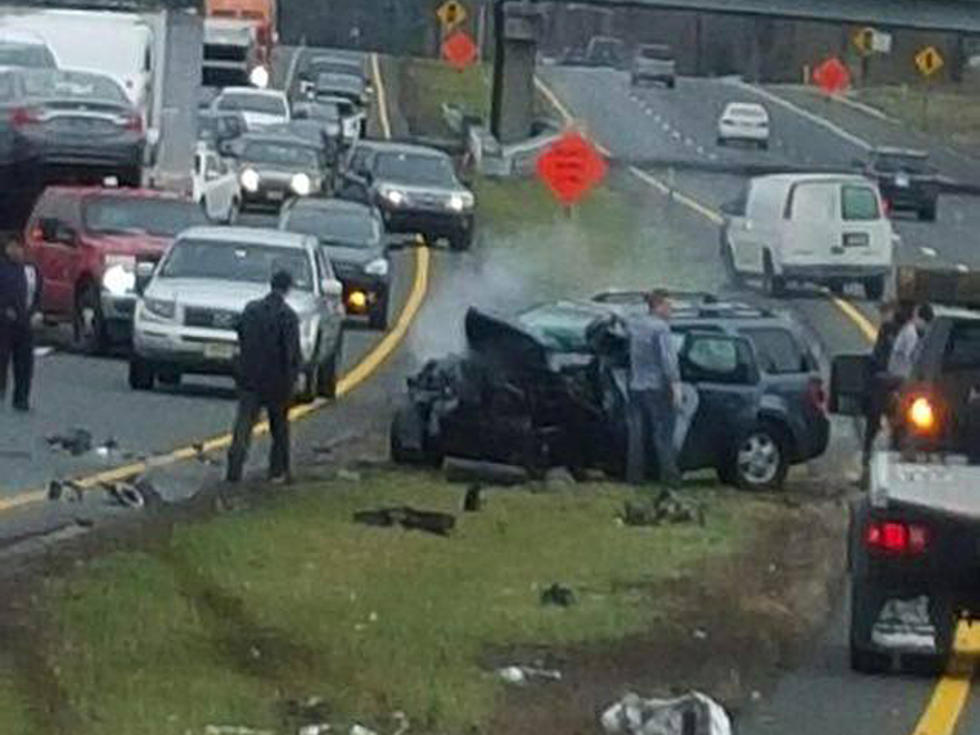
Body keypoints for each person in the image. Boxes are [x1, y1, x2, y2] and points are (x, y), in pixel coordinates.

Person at [226, 270, 301, 484]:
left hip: (249, 375)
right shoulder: (287, 316)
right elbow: (291, 352)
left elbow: (239, 333)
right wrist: (293, 378)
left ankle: (234, 468)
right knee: (279, 428)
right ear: (287, 288)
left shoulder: (251, 309)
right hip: (277, 380)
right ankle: (278, 471)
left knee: (243, 424)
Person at [624, 289, 682, 487]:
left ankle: (634, 477)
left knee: (636, 434)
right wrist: (675, 386)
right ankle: (669, 476)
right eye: (669, 306)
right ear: (658, 306)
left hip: (635, 385)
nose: (672, 310)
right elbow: (668, 360)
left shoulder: (636, 324)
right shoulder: (661, 329)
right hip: (656, 387)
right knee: (663, 433)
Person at [0, 236, 41, 412]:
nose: (16, 251)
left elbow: (38, 292)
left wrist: (37, 311)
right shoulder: (3, 269)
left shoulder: (31, 270)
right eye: (12, 247)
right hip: (4, 321)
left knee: (24, 362)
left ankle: (21, 397)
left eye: (19, 247)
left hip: (26, 320)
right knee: (2, 358)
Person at [861, 301, 903, 468]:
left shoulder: (891, 330)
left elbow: (878, 358)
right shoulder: (902, 331)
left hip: (889, 386)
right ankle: (871, 458)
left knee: (876, 424)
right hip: (894, 386)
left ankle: (869, 459)